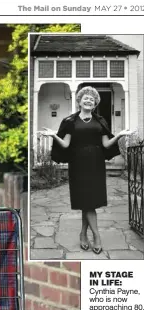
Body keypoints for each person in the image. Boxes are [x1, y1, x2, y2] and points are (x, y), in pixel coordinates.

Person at [41, 86, 132, 255]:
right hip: (78, 163)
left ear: (95, 103)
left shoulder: (100, 121)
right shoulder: (70, 121)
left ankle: (83, 233)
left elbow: (106, 144)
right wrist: (54, 136)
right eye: (86, 97)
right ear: (79, 101)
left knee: (89, 201)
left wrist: (119, 135)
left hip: (96, 163)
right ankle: (97, 236)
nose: (89, 100)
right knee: (87, 201)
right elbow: (66, 145)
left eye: (92, 98)